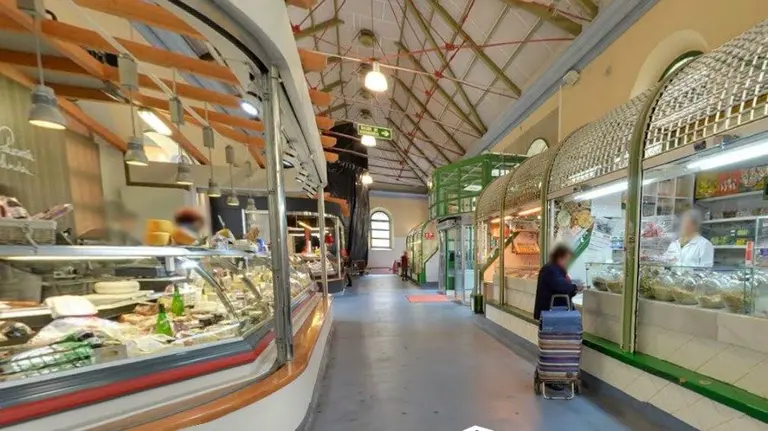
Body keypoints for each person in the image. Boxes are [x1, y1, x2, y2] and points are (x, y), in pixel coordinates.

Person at [533, 244, 582, 321]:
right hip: (553, 313)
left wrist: (573, 288)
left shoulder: (556, 269)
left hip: (555, 313)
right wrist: (575, 287)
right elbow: (560, 287)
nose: (568, 262)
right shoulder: (551, 269)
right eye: (567, 259)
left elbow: (563, 288)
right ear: (560, 258)